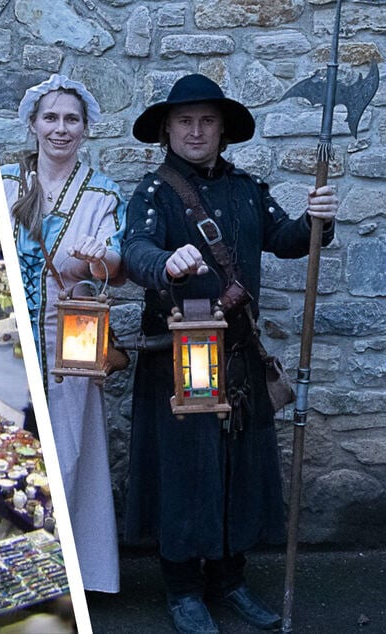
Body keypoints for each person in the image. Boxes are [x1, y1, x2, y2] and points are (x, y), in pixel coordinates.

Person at [120, 74, 338, 633]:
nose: (197, 131)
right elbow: (136, 249)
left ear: (222, 130)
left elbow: (288, 238)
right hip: (179, 359)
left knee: (235, 471)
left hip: (237, 357)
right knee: (185, 474)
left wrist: (319, 217)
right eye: (185, 121)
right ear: (167, 129)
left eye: (207, 121)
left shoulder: (246, 188)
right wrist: (163, 263)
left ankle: (229, 578)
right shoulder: (154, 193)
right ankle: (183, 590)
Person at [0, 75, 125, 594]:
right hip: (12, 337)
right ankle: (22, 563)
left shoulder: (102, 192)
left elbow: (118, 266)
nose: (60, 128)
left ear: (85, 129)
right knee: (15, 452)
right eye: (50, 118)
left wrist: (100, 257)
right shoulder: (7, 181)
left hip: (71, 341)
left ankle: (72, 578)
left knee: (71, 453)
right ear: (32, 124)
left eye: (71, 119)